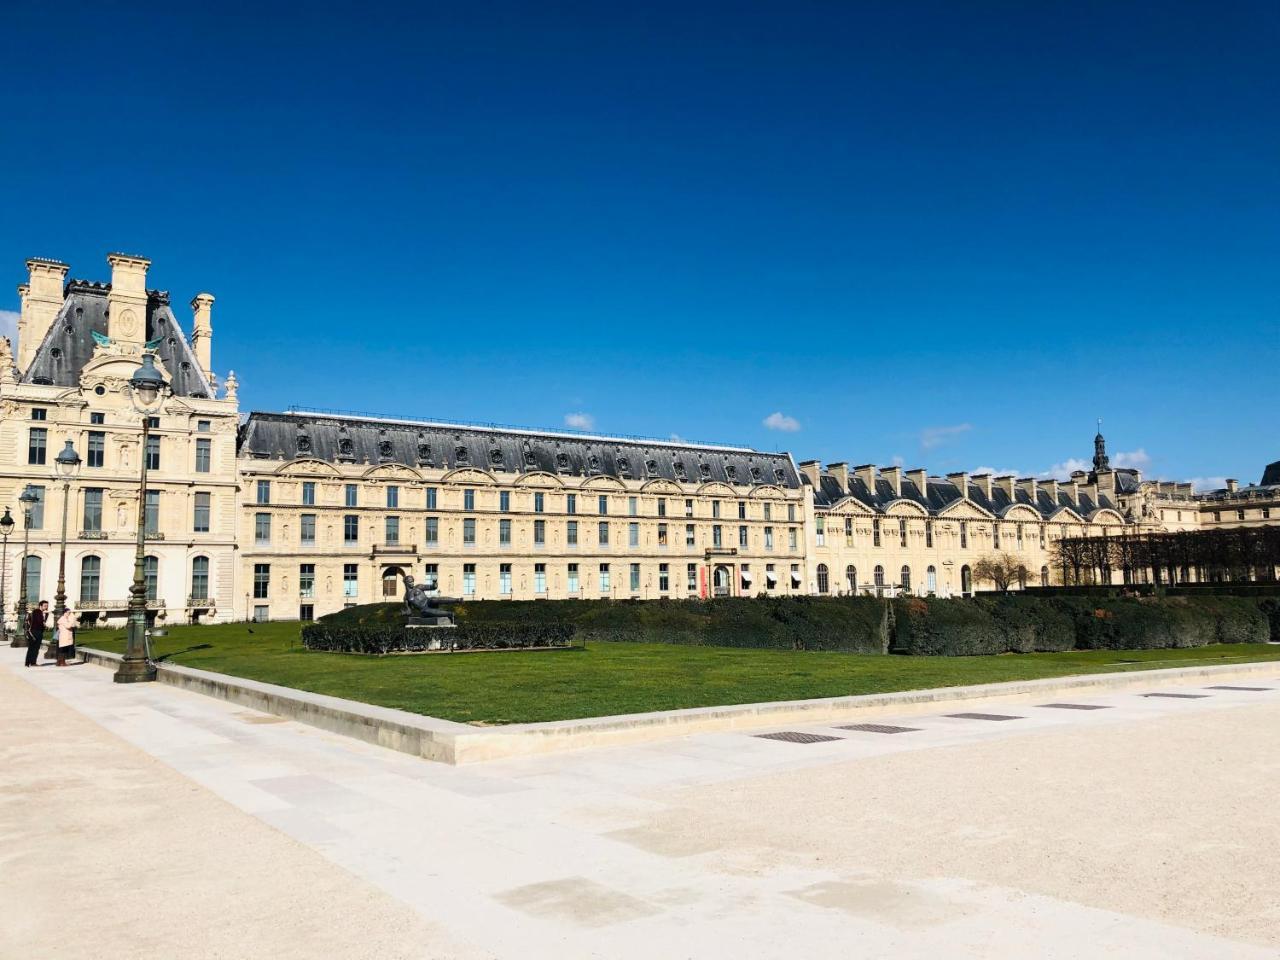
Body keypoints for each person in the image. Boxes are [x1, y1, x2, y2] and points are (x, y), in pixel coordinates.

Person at [25, 601, 48, 668]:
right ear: (40, 606)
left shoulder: (38, 612)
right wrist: (44, 624)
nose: (46, 607)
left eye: (47, 605)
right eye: (45, 605)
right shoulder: (37, 612)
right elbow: (39, 622)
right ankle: (31, 662)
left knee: (34, 648)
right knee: (33, 648)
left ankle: (29, 662)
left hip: (36, 631)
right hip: (35, 632)